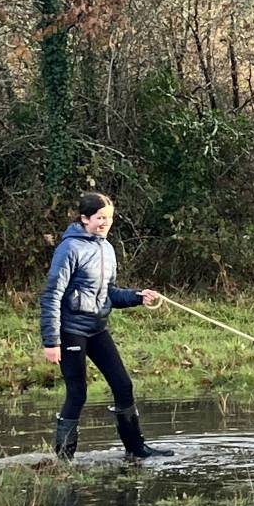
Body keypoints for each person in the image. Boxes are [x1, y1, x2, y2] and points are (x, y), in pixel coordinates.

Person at [40, 191, 174, 461]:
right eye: (100, 218)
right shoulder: (69, 248)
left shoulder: (107, 249)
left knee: (123, 385)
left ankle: (135, 448)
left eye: (109, 218)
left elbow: (110, 293)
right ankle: (64, 460)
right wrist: (51, 342)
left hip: (97, 327)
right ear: (85, 218)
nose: (105, 223)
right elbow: (51, 294)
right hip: (71, 330)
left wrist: (139, 297)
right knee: (77, 393)